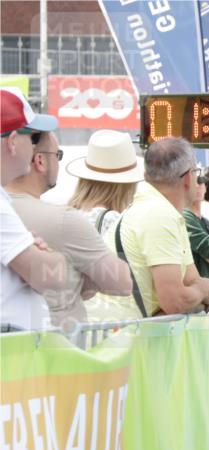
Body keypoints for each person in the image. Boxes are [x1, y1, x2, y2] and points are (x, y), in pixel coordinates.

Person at [6, 128, 132, 331]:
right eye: (58, 155)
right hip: (60, 341)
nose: (58, 163)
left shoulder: (8, 210)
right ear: (40, 161)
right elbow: (122, 283)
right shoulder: (64, 220)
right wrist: (79, 278)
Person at [119, 137, 209, 317]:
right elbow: (175, 301)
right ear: (188, 177)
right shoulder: (159, 214)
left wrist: (196, 292)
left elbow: (190, 281)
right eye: (197, 173)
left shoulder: (156, 209)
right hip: (125, 333)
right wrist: (203, 292)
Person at [0, 87, 67, 332]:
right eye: (34, 138)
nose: (34, 147)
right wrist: (48, 256)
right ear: (12, 142)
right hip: (9, 348)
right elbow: (51, 276)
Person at [66, 129, 145, 323]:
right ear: (125, 185)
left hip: (66, 315)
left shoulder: (67, 214)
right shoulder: (113, 220)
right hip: (104, 319)